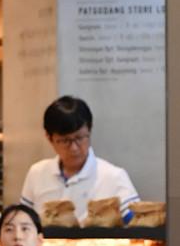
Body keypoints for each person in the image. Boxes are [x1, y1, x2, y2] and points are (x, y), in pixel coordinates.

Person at [20, 95, 139, 224]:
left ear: (89, 131)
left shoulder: (113, 177)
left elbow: (137, 225)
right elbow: (22, 223)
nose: (74, 148)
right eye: (65, 141)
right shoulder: (37, 173)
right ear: (49, 138)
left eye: (80, 138)